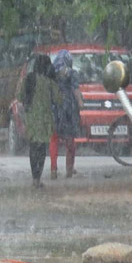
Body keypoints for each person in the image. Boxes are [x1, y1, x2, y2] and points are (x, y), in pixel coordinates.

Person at [19, 53, 60, 188]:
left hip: (31, 119)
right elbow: (59, 99)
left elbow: (19, 96)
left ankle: (34, 177)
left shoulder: (29, 79)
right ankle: (38, 178)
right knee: (41, 149)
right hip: (44, 120)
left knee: (33, 148)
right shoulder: (49, 82)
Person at [50, 49, 80, 179]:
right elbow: (76, 90)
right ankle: (69, 169)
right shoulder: (72, 73)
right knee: (70, 140)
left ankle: (53, 169)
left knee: (54, 139)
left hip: (55, 107)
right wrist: (80, 104)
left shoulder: (53, 74)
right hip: (68, 109)